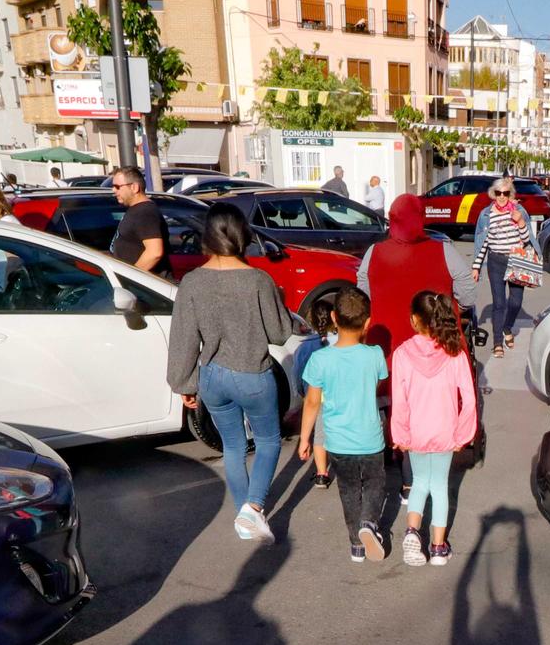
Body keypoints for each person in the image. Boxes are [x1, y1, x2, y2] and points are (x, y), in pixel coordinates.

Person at [166, 207, 295, 544]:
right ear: (242, 236)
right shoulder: (258, 280)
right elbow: (281, 333)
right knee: (267, 442)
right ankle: (252, 509)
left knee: (233, 446)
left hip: (212, 376)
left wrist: (184, 383)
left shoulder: (192, 282)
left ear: (207, 236)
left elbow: (184, 339)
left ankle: (245, 516)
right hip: (253, 373)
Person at [298, 288, 390, 562]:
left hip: (337, 441)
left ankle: (356, 546)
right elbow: (378, 384)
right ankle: (369, 524)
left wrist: (305, 439)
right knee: (375, 485)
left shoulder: (320, 359)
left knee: (349, 490)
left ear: (334, 318)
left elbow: (312, 403)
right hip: (370, 438)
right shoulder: (374, 355)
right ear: (367, 322)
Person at [391, 291, 477, 567]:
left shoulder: (403, 353)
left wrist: (400, 434)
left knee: (419, 483)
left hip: (415, 430)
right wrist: (463, 434)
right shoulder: (454, 353)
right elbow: (469, 398)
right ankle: (438, 547)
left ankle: (412, 530)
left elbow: (399, 399)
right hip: (445, 431)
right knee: (440, 487)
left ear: (415, 320)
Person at [358, 195, 479, 356]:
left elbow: (363, 297)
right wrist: (450, 309)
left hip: (386, 349)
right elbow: (468, 294)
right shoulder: (444, 251)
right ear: (420, 218)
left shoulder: (374, 253)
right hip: (437, 345)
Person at [470, 177, 538, 359]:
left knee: (516, 302)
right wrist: (476, 267)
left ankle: (507, 326)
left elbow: (526, 240)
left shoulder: (518, 211)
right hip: (495, 261)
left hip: (516, 259)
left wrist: (521, 222)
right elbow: (483, 243)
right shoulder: (486, 214)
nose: (501, 197)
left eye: (505, 193)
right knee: (499, 304)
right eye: (498, 193)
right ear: (493, 194)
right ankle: (497, 343)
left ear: (510, 194)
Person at [291, 289, 342, 489]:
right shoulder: (338, 342)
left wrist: (303, 393)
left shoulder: (304, 347)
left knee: (320, 435)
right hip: (338, 395)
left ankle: (322, 473)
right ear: (333, 317)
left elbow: (298, 376)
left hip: (317, 397)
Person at [110, 167, 169, 275]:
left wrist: (131, 276)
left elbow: (154, 252)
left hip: (147, 287)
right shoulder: (136, 210)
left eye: (117, 187)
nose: (113, 190)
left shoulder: (145, 212)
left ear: (134, 187)